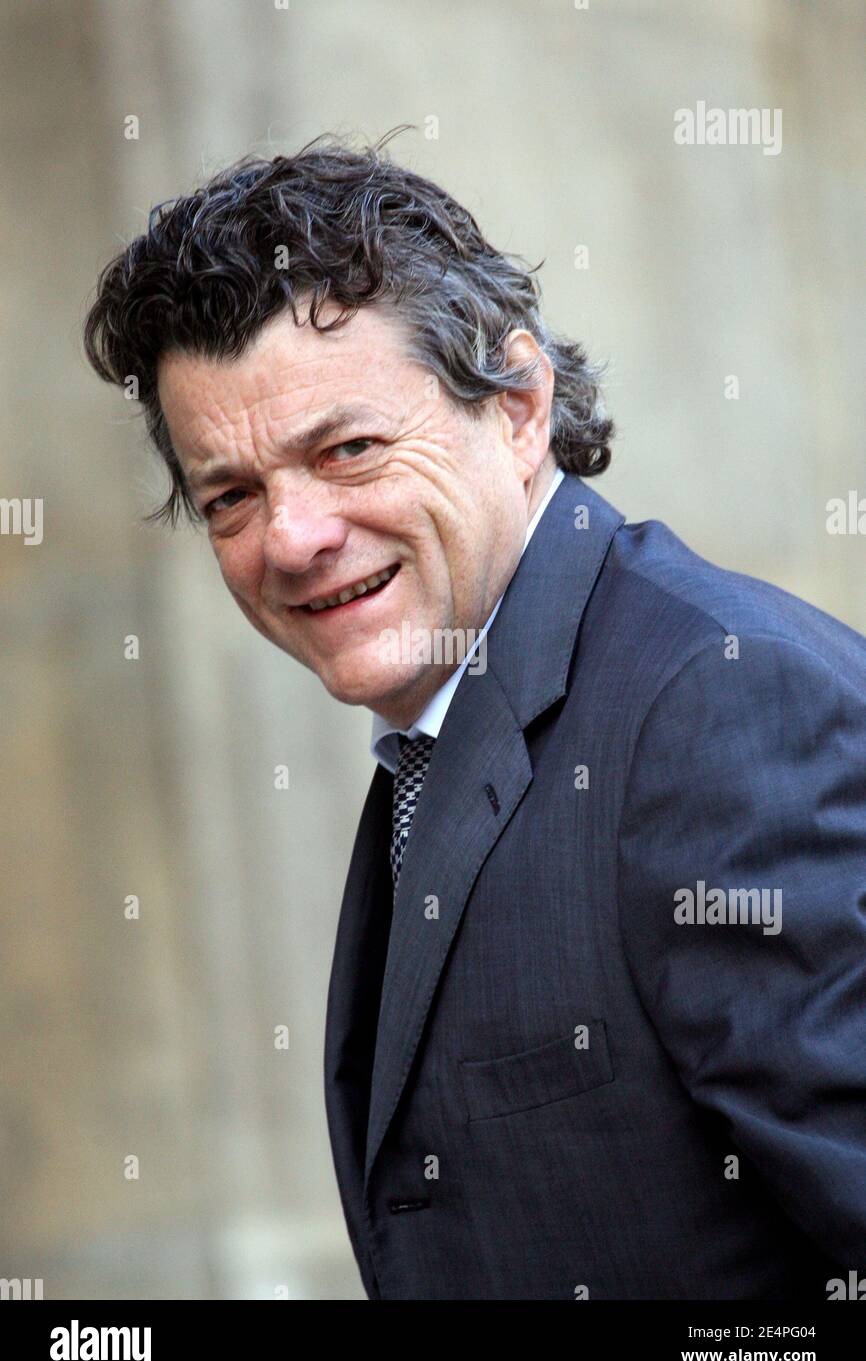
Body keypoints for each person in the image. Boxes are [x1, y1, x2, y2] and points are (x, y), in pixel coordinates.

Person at [84, 134, 866, 1300]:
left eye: (345, 449)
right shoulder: (435, 739)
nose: (290, 539)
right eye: (232, 496)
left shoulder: (717, 703)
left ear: (517, 405)